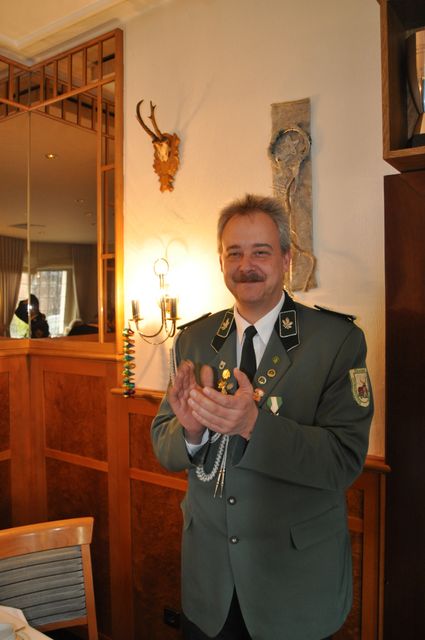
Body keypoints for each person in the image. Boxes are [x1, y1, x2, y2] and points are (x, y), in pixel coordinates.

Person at [151, 194, 373, 640]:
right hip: (210, 583)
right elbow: (164, 445)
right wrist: (190, 431)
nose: (245, 265)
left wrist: (253, 425)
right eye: (234, 253)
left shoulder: (335, 341)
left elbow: (343, 460)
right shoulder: (193, 339)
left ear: (286, 259)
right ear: (221, 262)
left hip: (293, 584)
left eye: (260, 252)